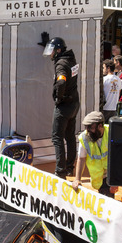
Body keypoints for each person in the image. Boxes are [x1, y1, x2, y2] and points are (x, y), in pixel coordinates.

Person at [42, 36, 79, 179]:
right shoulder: (71, 59)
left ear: (58, 50)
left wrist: (58, 97)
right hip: (74, 103)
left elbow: (62, 81)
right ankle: (69, 168)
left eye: (52, 51)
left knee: (57, 137)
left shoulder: (61, 65)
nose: (51, 54)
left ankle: (60, 171)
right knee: (70, 136)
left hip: (64, 106)